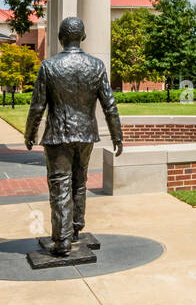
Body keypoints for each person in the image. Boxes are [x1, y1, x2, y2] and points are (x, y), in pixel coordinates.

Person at [24, 16, 123, 255]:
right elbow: (109, 105)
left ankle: (62, 239)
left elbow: (38, 106)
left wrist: (30, 132)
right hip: (86, 135)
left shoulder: (48, 66)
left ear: (60, 37)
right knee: (79, 182)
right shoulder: (97, 66)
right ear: (83, 37)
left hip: (59, 135)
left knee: (60, 185)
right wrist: (116, 135)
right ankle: (76, 227)